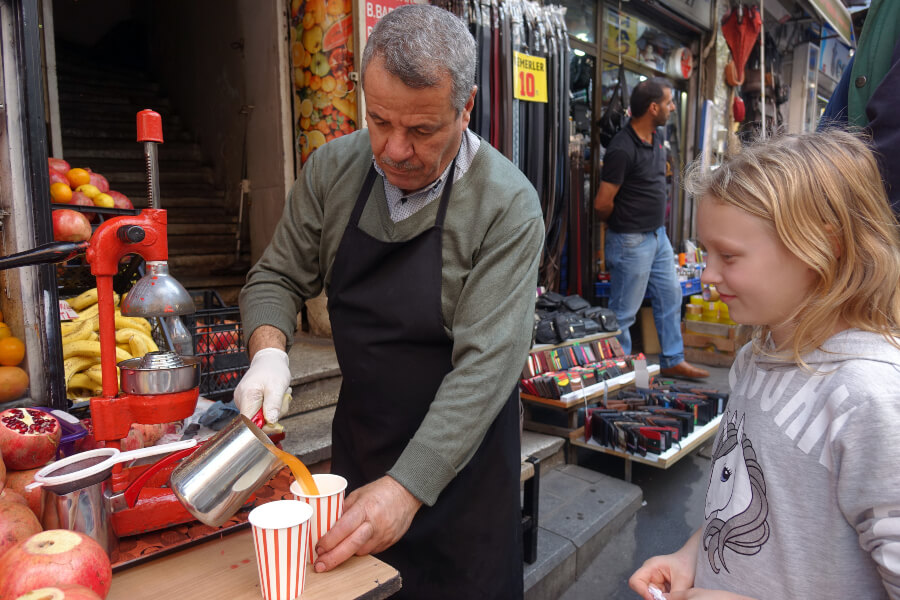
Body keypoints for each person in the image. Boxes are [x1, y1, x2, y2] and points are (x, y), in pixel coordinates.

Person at [234, 5, 544, 598]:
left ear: (466, 107)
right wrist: (268, 352)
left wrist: (408, 487)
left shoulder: (506, 206)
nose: (395, 149)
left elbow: (486, 370)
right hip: (363, 450)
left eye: (422, 130)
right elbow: (274, 277)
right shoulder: (332, 170)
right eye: (379, 121)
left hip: (466, 477)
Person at [629, 129, 900, 600]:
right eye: (707, 253)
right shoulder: (759, 355)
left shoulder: (868, 399)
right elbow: (738, 509)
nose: (708, 274)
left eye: (728, 256)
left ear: (821, 246)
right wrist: (691, 559)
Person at [594, 78, 709, 380]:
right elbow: (602, 204)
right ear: (653, 107)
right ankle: (620, 374)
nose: (673, 107)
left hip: (658, 237)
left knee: (670, 298)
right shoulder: (621, 148)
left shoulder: (657, 139)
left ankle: (672, 359)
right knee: (624, 313)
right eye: (670, 102)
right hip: (632, 240)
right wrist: (625, 224)